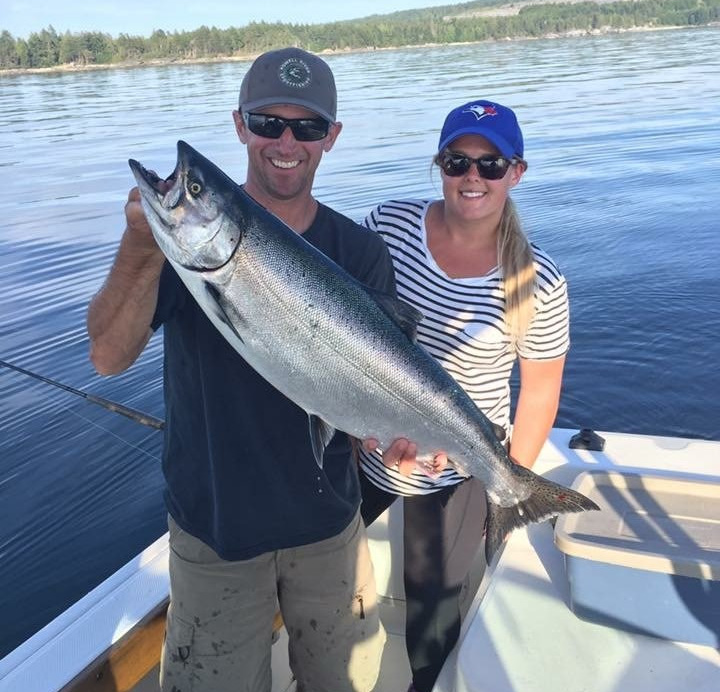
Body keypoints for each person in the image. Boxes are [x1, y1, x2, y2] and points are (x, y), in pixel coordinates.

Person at [86, 47, 415, 692]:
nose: (286, 142)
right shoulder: (177, 250)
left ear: (331, 138)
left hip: (329, 531)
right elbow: (106, 357)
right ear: (240, 125)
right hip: (215, 533)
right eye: (268, 123)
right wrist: (136, 248)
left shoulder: (360, 251)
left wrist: (398, 435)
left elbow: (366, 391)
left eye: (308, 127)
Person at [359, 99, 570, 692]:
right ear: (439, 164)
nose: (472, 177)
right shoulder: (388, 226)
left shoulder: (539, 281)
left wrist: (509, 487)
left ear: (516, 173)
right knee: (310, 572)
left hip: (456, 470)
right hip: (362, 447)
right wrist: (351, 428)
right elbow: (347, 334)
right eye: (457, 161)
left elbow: (539, 393)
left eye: (491, 164)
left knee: (431, 625)